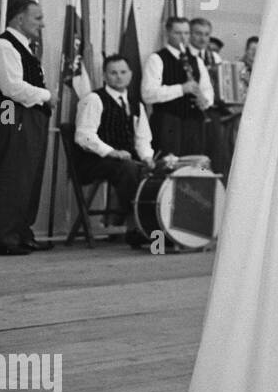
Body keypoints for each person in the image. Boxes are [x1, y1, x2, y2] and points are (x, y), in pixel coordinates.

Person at [0, 0, 54, 255]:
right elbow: (11, 88)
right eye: (37, 18)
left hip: (29, 117)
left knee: (27, 178)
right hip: (10, 114)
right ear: (18, 19)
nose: (42, 24)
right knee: (12, 176)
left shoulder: (24, 48)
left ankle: (21, 232)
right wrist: (47, 95)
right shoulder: (4, 45)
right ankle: (3, 238)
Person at [74, 54, 158, 247]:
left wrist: (147, 157)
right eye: (113, 73)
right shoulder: (94, 99)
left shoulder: (136, 104)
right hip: (93, 162)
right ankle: (136, 225)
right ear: (104, 76)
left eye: (123, 72)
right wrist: (112, 152)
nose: (118, 77)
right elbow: (84, 136)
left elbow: (142, 138)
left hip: (123, 162)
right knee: (128, 168)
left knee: (151, 170)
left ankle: (152, 227)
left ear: (130, 75)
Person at [143, 16, 213, 158]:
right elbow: (148, 94)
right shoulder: (156, 59)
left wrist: (205, 101)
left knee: (193, 167)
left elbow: (207, 89)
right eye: (178, 33)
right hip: (167, 123)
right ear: (167, 33)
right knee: (168, 168)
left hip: (193, 124)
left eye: (186, 33)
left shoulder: (196, 60)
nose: (183, 38)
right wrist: (182, 89)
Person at [188, 17, 231, 174]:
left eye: (206, 34)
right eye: (198, 33)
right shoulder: (183, 55)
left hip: (213, 110)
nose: (203, 38)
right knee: (195, 153)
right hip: (190, 110)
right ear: (190, 34)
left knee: (216, 152)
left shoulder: (215, 57)